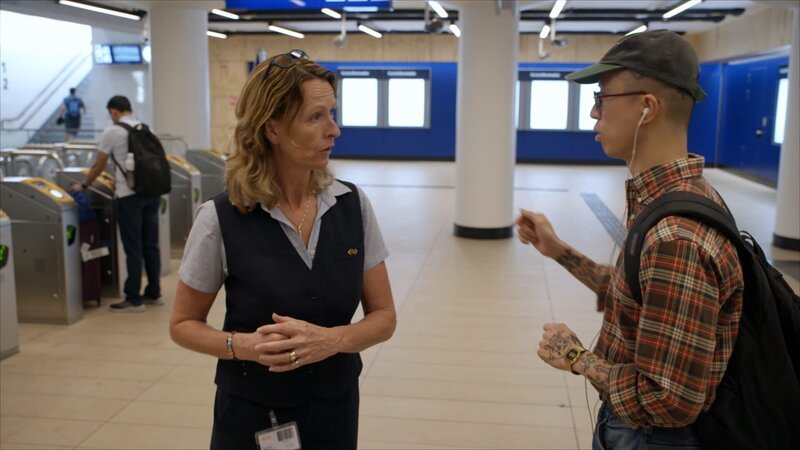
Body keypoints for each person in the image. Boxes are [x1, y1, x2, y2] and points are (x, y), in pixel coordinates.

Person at [516, 30, 743, 449]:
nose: (592, 113)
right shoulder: (683, 197)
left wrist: (576, 358)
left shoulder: (676, 235)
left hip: (651, 436)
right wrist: (561, 252)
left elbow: (669, 400)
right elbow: (639, 297)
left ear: (646, 108)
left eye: (603, 98)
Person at [169, 49, 396, 449]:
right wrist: (243, 346)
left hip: (335, 409)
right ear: (272, 128)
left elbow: (384, 317)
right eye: (315, 117)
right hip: (251, 414)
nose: (334, 130)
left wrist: (333, 341)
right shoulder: (220, 217)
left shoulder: (352, 206)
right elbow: (183, 324)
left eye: (333, 113)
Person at [76, 95, 162, 312]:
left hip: (128, 196)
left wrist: (85, 185)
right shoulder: (145, 127)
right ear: (130, 109)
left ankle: (133, 298)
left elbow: (98, 164)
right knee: (150, 245)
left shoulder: (113, 131)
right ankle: (154, 292)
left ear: (114, 111)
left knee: (133, 246)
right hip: (151, 193)